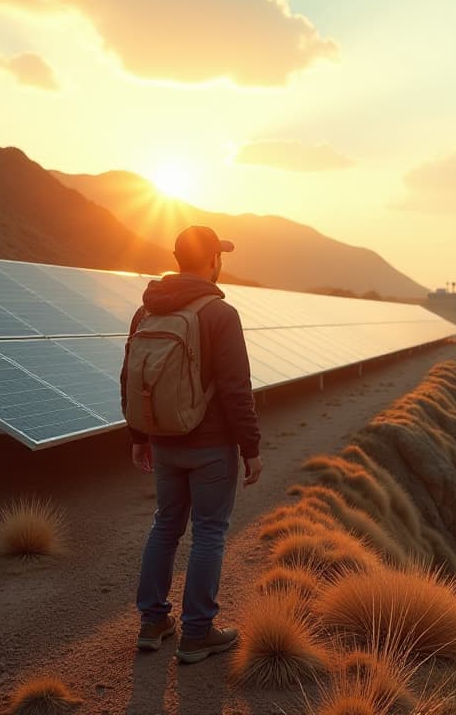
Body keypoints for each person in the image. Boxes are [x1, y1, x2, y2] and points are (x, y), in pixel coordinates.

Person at [120, 225, 264, 664]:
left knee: (165, 525)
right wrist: (251, 448)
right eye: (220, 257)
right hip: (210, 446)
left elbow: (131, 377)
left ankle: (153, 621)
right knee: (209, 533)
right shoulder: (220, 314)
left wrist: (139, 436)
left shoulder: (146, 312)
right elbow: (237, 388)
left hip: (164, 440)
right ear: (212, 261)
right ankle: (198, 633)